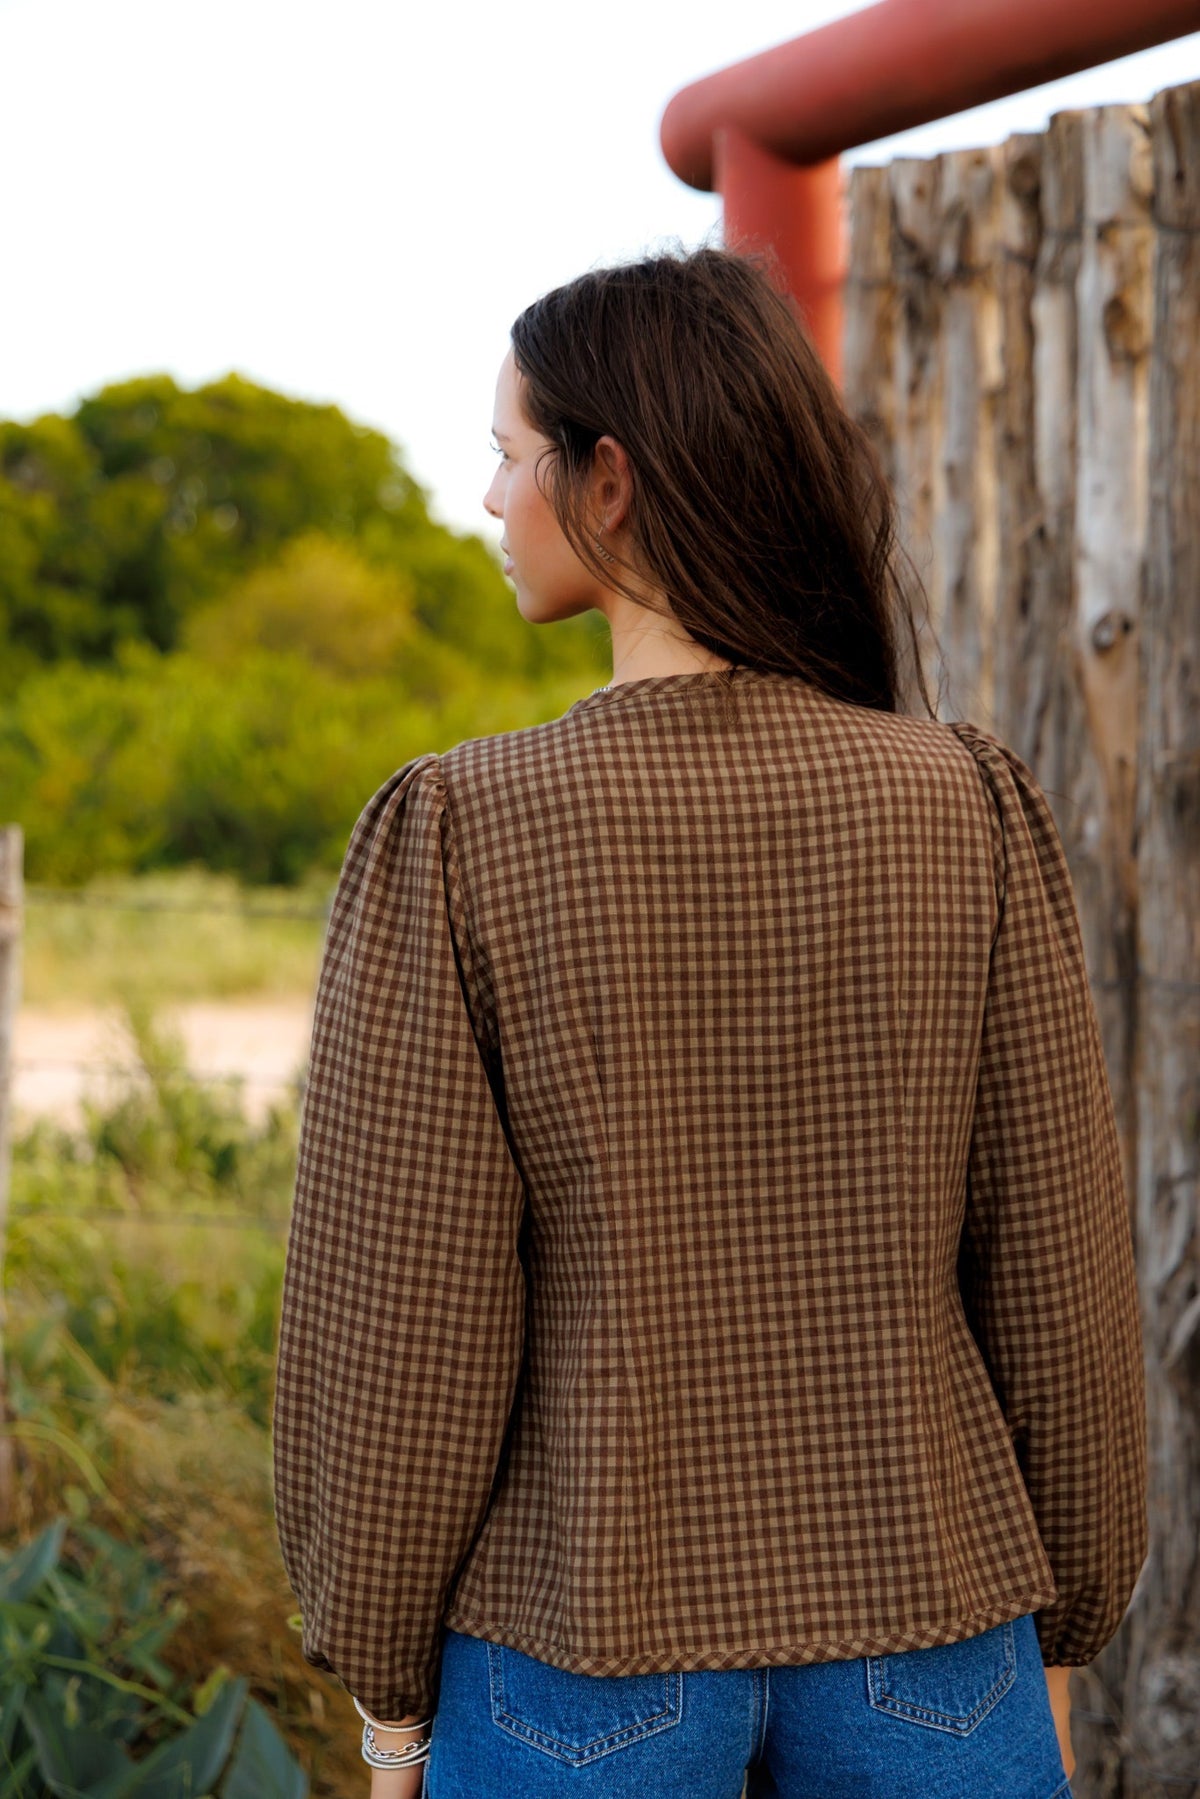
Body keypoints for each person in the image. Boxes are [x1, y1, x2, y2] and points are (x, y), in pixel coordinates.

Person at [272, 246, 1148, 1799]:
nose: (488, 502)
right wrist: (1063, 1611)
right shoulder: (967, 807)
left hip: (577, 1647)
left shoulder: (465, 829)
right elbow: (1061, 1263)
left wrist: (387, 1692)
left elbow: (402, 1320)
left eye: (505, 456)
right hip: (935, 1629)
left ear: (607, 485)